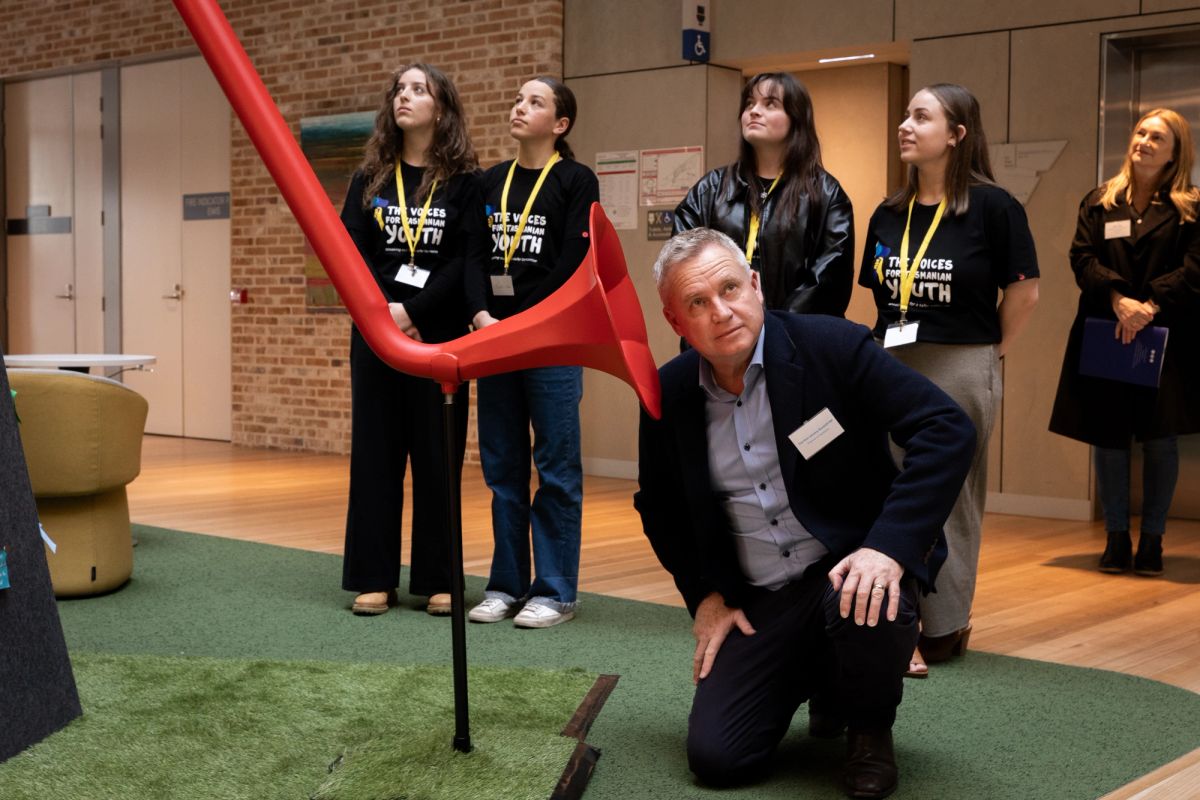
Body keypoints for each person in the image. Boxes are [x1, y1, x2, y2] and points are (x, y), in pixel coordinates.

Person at [636, 228, 974, 799]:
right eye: (697, 303)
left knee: (864, 598)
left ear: (757, 286)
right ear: (676, 323)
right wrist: (706, 598)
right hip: (763, 595)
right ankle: (827, 678)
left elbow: (946, 429)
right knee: (718, 759)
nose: (721, 312)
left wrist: (889, 547)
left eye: (730, 288)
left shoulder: (832, 347)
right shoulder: (667, 394)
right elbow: (659, 507)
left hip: (848, 565)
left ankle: (868, 728)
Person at [858, 83, 1039, 675]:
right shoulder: (888, 213)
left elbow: (1024, 292)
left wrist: (991, 354)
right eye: (905, 115)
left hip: (961, 360)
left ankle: (946, 623)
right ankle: (898, 617)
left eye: (921, 117)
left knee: (951, 494)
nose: (905, 126)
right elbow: (880, 298)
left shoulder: (995, 207)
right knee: (888, 486)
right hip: (892, 360)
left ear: (957, 135)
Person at [339, 63, 484, 616]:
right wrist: (384, 314)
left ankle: (439, 578)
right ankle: (374, 577)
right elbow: (351, 252)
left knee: (437, 456)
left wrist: (416, 311)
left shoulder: (465, 184)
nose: (405, 96)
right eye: (400, 89)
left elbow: (463, 261)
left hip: (438, 338)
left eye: (419, 90)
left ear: (441, 108)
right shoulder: (368, 179)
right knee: (375, 457)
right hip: (376, 336)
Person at [464, 77, 600, 629]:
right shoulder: (489, 181)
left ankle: (556, 591)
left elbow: (573, 264)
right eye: (517, 98)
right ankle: (505, 585)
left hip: (550, 343)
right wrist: (480, 316)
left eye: (535, 102)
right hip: (494, 339)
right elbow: (473, 255)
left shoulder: (575, 179)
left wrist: (524, 322)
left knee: (556, 468)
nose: (520, 106)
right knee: (502, 471)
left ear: (560, 124)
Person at [1049, 108, 1200, 576]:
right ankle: (1116, 538)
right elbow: (1081, 258)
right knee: (1108, 436)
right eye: (1140, 132)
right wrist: (1118, 300)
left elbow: (1196, 270)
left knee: (1159, 440)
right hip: (1106, 330)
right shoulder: (1100, 201)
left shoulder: (1191, 207)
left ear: (1176, 152)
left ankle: (1152, 539)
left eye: (1158, 137)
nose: (1146, 142)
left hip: (1167, 336)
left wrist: (1147, 307)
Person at [673, 72, 853, 316]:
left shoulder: (827, 195)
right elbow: (682, 264)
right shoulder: (710, 190)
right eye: (749, 103)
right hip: (718, 329)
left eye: (770, 104)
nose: (754, 111)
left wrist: (773, 328)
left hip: (794, 340)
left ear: (796, 118)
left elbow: (828, 282)